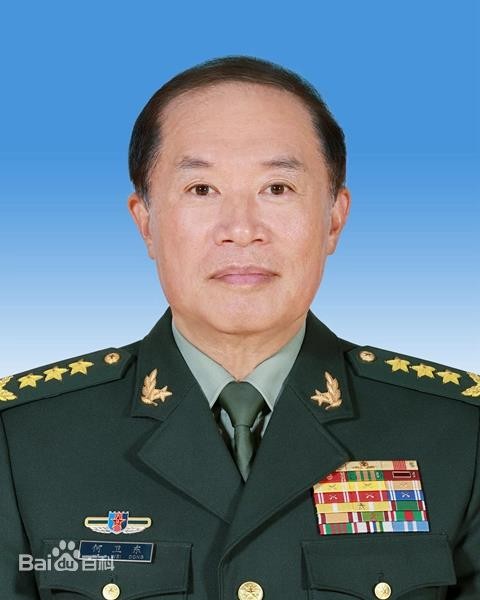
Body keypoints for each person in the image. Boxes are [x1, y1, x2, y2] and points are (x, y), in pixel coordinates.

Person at [0, 55, 479, 600]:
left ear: (334, 218)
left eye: (277, 188)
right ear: (146, 222)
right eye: (202, 189)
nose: (241, 229)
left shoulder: (457, 433)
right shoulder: (24, 440)